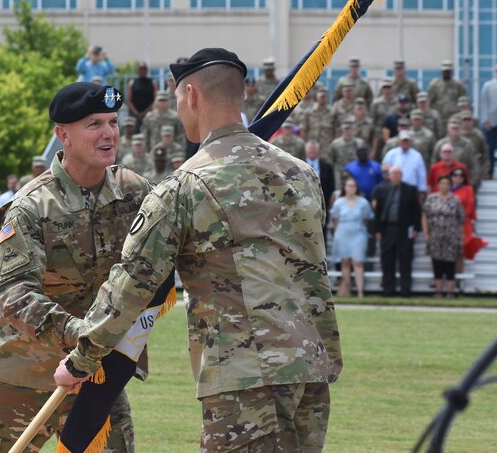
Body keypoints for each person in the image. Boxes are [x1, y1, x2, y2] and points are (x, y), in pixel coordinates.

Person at [56, 48, 342, 451]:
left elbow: (133, 283)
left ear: (191, 96)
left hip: (245, 371)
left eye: (176, 99)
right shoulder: (302, 173)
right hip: (311, 366)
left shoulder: (184, 186)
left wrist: (81, 358)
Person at [0, 82, 150, 452]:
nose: (109, 133)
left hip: (97, 375)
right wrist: (86, 336)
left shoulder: (136, 193)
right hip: (21, 377)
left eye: (113, 122)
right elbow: (14, 295)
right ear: (63, 135)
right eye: (94, 124)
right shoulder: (31, 207)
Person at [373, 166, 422, 296]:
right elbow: (377, 212)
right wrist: (377, 230)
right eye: (393, 173)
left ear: (401, 175)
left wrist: (417, 228)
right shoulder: (381, 189)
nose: (395, 176)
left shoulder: (410, 190)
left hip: (404, 229)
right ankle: (388, 289)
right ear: (389, 175)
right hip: (387, 229)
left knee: (405, 260)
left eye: (397, 173)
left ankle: (405, 290)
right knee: (387, 260)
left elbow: (416, 210)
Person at [422, 175, 465, 298]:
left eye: (447, 183)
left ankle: (450, 291)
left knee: (450, 263)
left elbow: (460, 219)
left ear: (450, 185)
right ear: (438, 185)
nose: (444, 186)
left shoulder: (455, 200)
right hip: (435, 235)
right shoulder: (431, 198)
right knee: (437, 262)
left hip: (451, 236)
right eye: (442, 183)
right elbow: (425, 216)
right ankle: (438, 291)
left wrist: (461, 236)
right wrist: (426, 233)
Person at [331, 177, 374, 298]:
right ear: (345, 187)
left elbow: (367, 217)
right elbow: (335, 219)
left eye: (353, 186)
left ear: (356, 188)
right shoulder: (339, 202)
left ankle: (360, 292)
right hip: (343, 232)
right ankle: (347, 290)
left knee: (358, 262)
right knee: (345, 262)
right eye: (348, 186)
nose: (351, 188)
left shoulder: (363, 202)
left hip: (358, 231)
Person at [451, 169, 487, 263]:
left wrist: (461, 216)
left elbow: (470, 206)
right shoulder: (447, 189)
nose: (458, 177)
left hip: (463, 222)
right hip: (448, 223)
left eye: (461, 175)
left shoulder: (468, 189)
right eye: (456, 175)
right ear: (451, 177)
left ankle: (459, 274)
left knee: (461, 249)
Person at [428, 60, 468, 128]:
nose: (446, 73)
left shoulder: (458, 85)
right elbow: (429, 102)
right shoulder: (435, 84)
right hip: (439, 119)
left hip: (455, 119)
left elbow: (464, 101)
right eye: (445, 71)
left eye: (448, 71)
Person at [126, 62, 159, 130]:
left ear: (147, 70)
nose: (142, 70)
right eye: (141, 68)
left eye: (144, 68)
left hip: (149, 114)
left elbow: (156, 100)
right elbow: (128, 100)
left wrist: (145, 112)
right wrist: (136, 113)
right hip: (134, 115)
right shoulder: (132, 83)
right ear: (137, 70)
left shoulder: (153, 83)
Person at [480, 64, 497, 178]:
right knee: (490, 148)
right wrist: (485, 120)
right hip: (492, 122)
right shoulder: (488, 85)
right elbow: (484, 103)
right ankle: (489, 171)